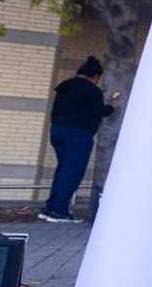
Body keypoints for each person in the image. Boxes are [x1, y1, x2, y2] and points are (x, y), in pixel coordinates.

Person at [39, 56, 118, 223]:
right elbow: (101, 111)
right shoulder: (91, 90)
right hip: (78, 135)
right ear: (95, 76)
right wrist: (112, 106)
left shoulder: (64, 86)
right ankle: (59, 212)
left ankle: (50, 208)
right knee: (72, 173)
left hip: (58, 131)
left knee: (62, 171)